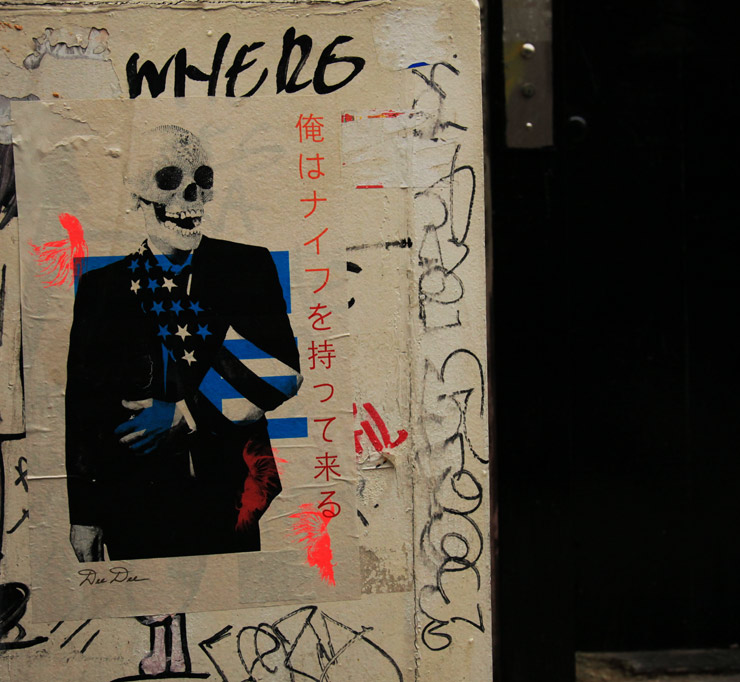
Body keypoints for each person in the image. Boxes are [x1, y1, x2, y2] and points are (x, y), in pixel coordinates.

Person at [66, 125, 301, 561]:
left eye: (202, 181)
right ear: (136, 198)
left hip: (228, 495)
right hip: (133, 501)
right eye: (170, 181)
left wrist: (184, 415)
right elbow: (83, 407)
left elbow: (279, 370)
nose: (191, 198)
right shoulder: (103, 289)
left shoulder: (246, 267)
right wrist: (84, 513)